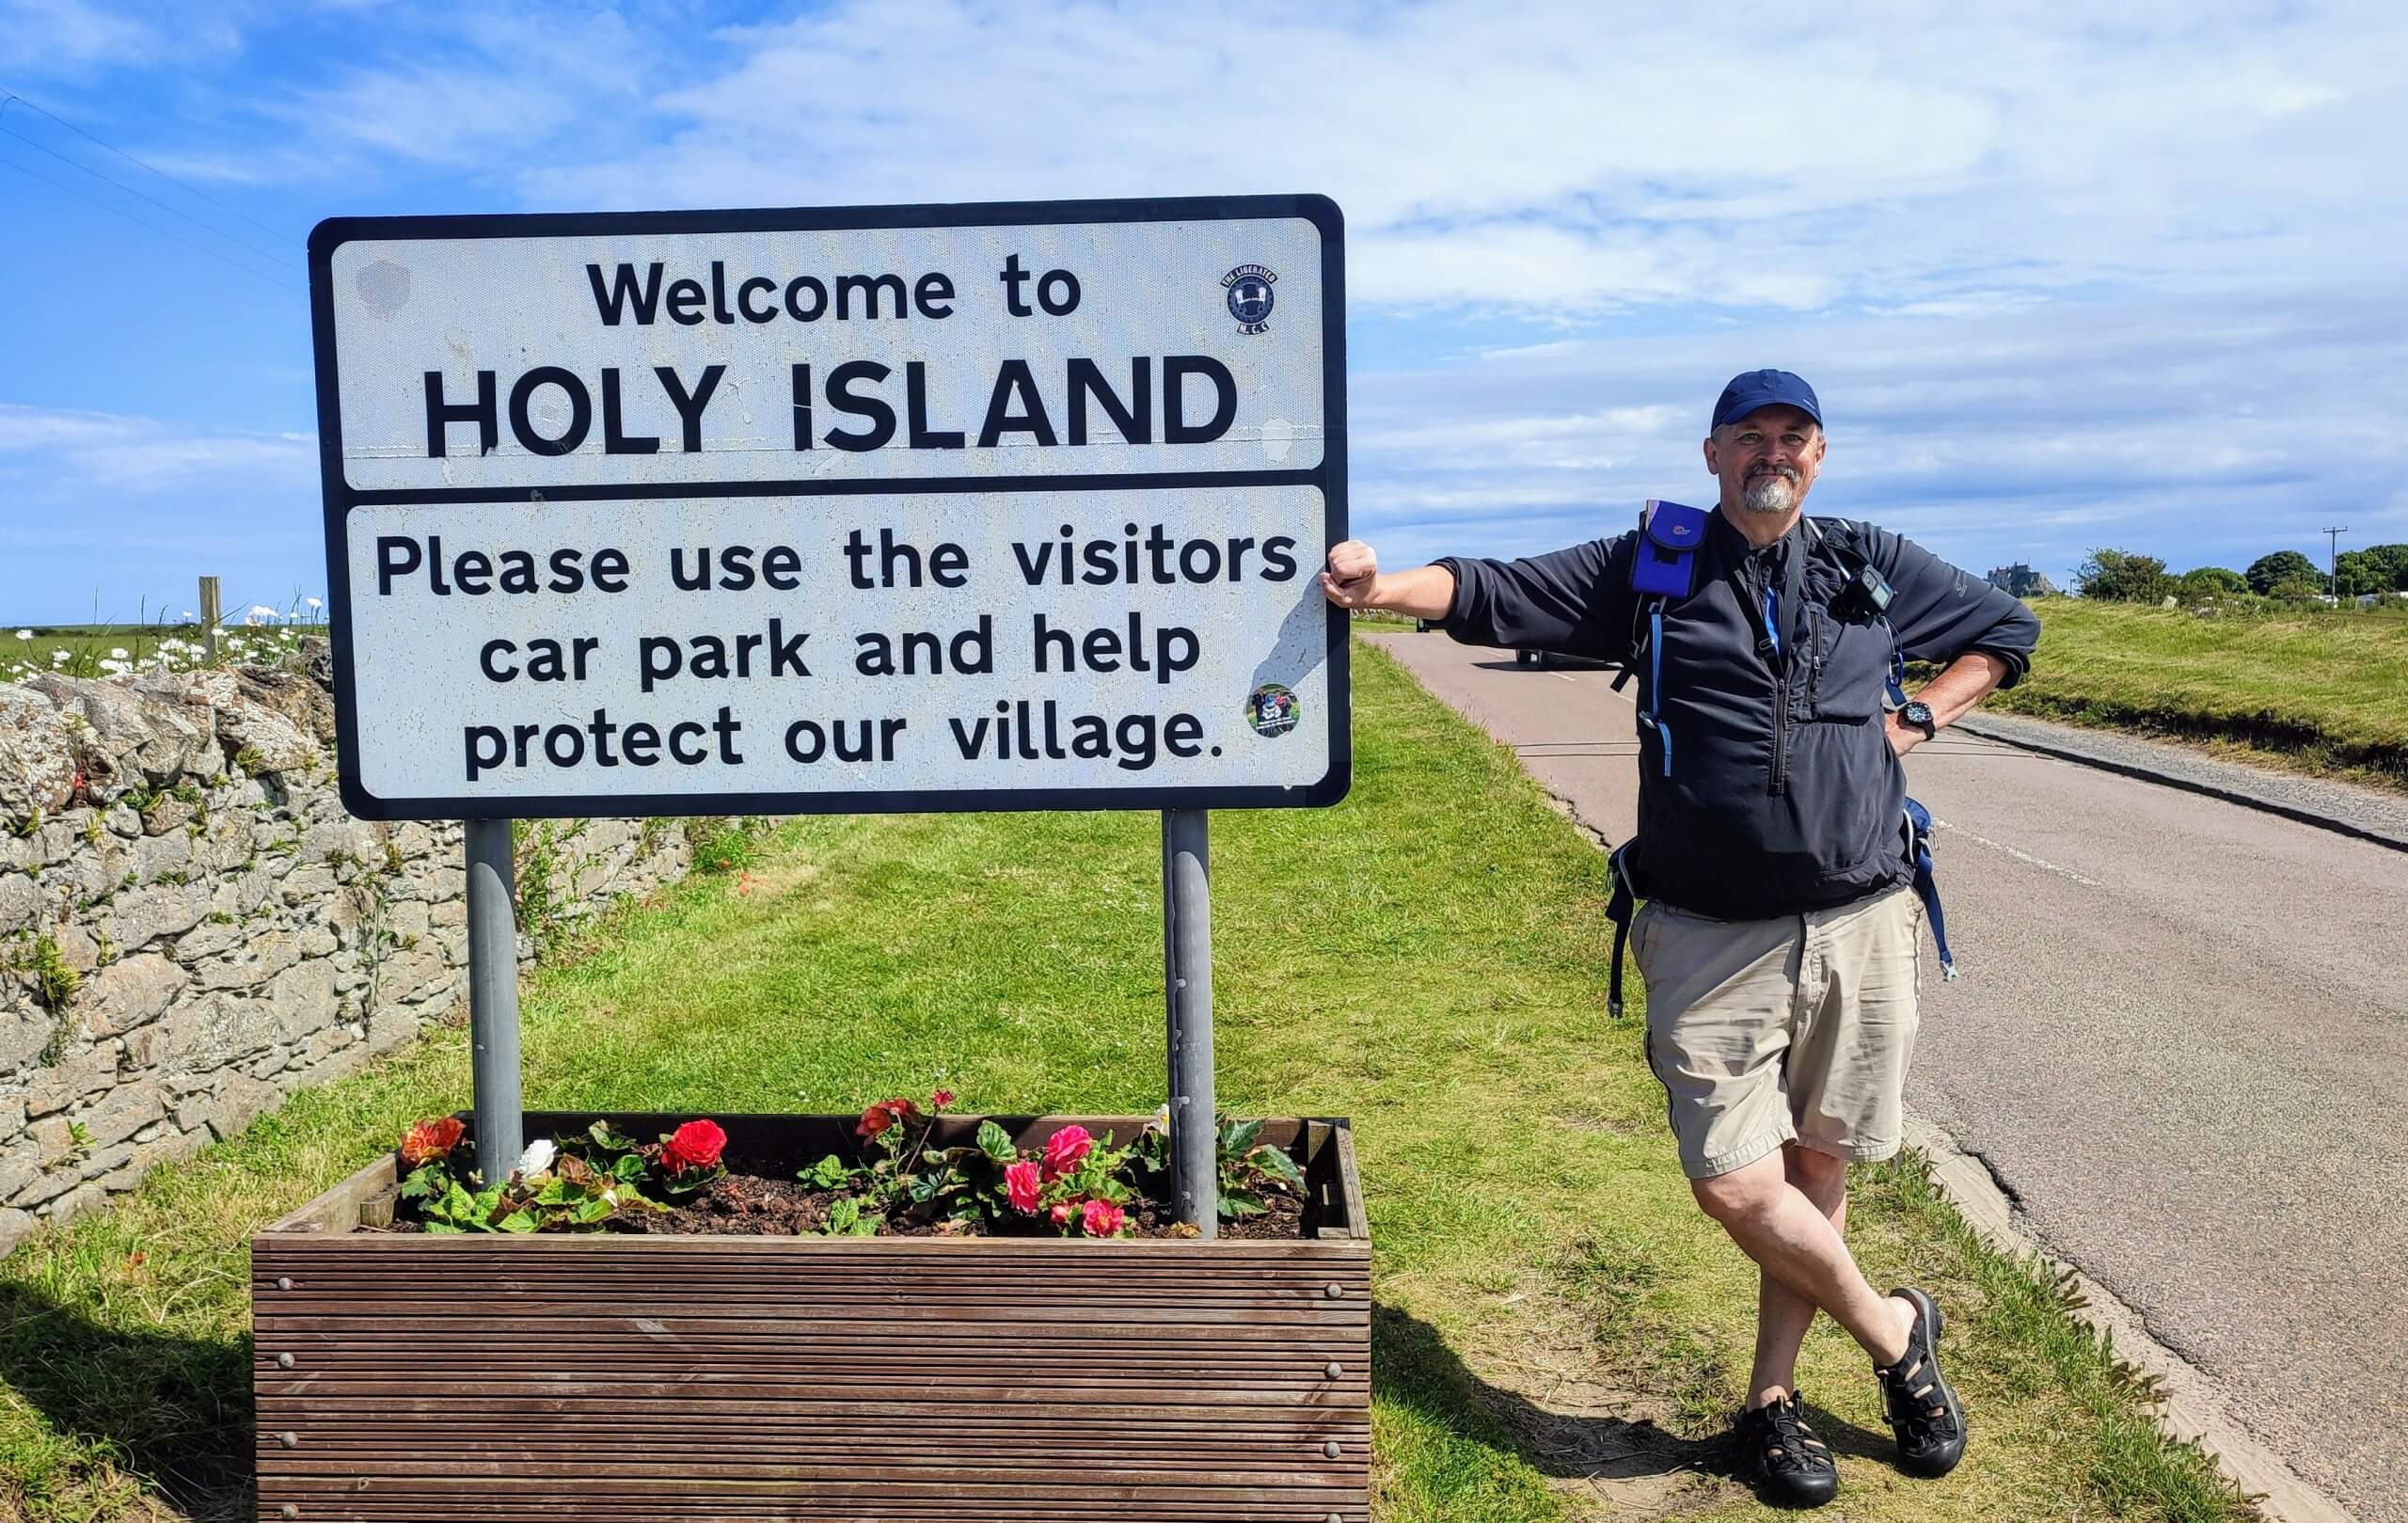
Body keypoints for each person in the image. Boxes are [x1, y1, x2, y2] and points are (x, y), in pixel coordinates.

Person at [1318, 369, 2039, 1506]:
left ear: (1819, 453)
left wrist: (1919, 713)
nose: (1773, 452)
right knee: (1732, 1180)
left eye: (1793, 435)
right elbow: (1493, 590)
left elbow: (2006, 631)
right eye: (1749, 435)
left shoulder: (1870, 563)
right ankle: (1897, 1332)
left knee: (1817, 1164)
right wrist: (1376, 585)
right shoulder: (1652, 565)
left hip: (1858, 916)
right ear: (1710, 456)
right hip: (1708, 934)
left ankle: (1770, 1405)